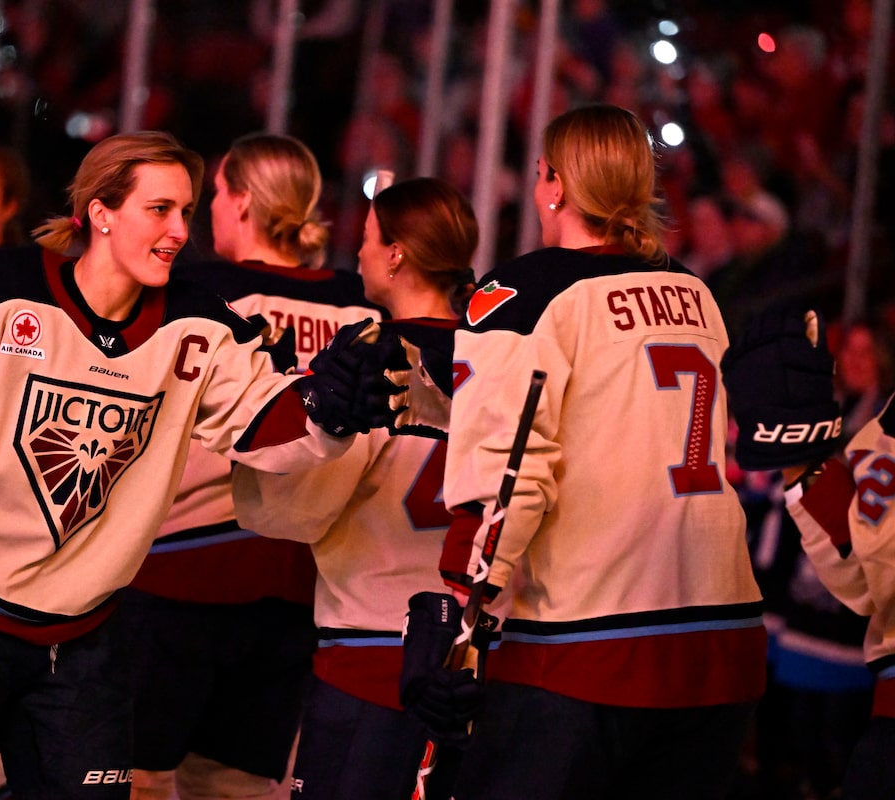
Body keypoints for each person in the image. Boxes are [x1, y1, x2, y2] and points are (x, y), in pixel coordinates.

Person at [0, 130, 397, 799]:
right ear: (101, 213)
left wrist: (329, 408)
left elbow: (263, 420)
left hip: (81, 641)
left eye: (187, 212)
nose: (177, 231)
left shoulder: (199, 323)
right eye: (159, 209)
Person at [432, 105, 766, 800]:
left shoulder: (523, 294)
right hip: (720, 632)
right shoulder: (695, 292)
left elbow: (509, 470)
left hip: (585, 639)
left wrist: (464, 608)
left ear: (553, 184)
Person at [121, 132, 382, 800]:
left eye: (214, 197)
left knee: (136, 782)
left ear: (240, 204)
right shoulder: (361, 307)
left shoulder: (197, 292)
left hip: (182, 571)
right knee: (234, 788)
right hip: (299, 587)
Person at [231, 176, 478, 799]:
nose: (359, 255)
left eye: (368, 240)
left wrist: (289, 404)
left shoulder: (372, 353)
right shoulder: (499, 351)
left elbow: (297, 512)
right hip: (469, 657)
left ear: (397, 254)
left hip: (370, 647)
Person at [721, 308, 894, 799]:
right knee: (792, 730)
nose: (857, 361)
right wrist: (798, 455)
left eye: (867, 351)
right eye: (850, 351)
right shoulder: (867, 420)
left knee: (829, 738)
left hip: (851, 633)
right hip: (812, 590)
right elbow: (858, 566)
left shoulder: (871, 420)